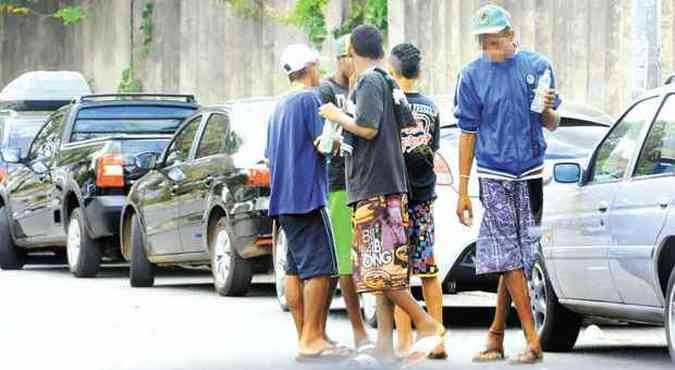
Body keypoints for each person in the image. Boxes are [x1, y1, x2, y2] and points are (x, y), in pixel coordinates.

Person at [319, 25, 445, 367]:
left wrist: (336, 115)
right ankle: (386, 346)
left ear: (352, 50)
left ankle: (426, 323)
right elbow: (390, 128)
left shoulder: (370, 81)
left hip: (376, 186)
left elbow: (368, 128)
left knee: (378, 271)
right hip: (381, 184)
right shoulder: (384, 80)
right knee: (380, 272)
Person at [454, 4, 561, 365]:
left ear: (511, 36)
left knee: (519, 257)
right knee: (508, 256)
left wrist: (545, 109)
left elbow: (553, 122)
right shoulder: (470, 75)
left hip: (531, 174)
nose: (488, 48)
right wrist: (463, 190)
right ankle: (532, 340)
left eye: (494, 40)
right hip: (494, 176)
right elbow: (467, 132)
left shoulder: (538, 66)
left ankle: (496, 336)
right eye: (482, 42)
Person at [265, 43, 349, 362]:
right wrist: (341, 136)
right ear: (310, 68)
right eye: (318, 65)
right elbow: (325, 144)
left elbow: (271, 156)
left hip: (283, 199)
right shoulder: (311, 100)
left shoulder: (279, 107)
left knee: (296, 268)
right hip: (307, 196)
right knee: (321, 268)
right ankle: (312, 337)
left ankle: (308, 335)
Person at [387, 42, 447, 360]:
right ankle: (437, 340)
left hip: (397, 199)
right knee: (428, 269)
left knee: (399, 273)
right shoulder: (432, 108)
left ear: (393, 72)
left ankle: (404, 343)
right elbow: (432, 151)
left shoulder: (389, 106)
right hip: (424, 198)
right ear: (419, 72)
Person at [317, 34, 374, 353]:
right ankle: (357, 330)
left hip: (364, 181)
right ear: (340, 58)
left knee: (364, 257)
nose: (353, 62)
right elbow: (324, 139)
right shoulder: (328, 89)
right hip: (339, 181)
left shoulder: (364, 85)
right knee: (344, 261)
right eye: (348, 56)